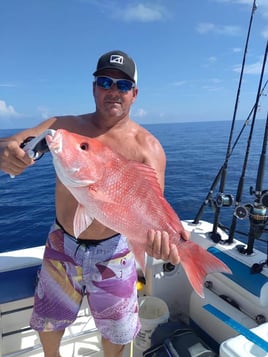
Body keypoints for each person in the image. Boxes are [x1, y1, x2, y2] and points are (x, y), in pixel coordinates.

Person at [0, 50, 188, 357]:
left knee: (117, 332)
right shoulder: (63, 127)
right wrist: (5, 152)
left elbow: (154, 211)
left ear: (134, 94)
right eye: (105, 81)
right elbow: (11, 147)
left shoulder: (149, 148)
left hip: (115, 252)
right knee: (49, 321)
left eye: (123, 85)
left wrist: (159, 243)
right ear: (94, 87)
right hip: (62, 243)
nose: (113, 90)